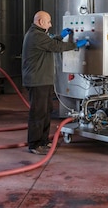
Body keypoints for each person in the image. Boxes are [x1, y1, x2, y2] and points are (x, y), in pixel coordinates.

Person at [22, 11, 89, 155]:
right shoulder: (36, 36)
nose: (50, 25)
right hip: (37, 81)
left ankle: (43, 141)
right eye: (49, 22)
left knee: (46, 111)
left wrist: (61, 36)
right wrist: (76, 44)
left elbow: (51, 42)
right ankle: (34, 144)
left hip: (43, 80)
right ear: (40, 22)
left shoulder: (40, 34)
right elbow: (56, 47)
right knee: (38, 113)